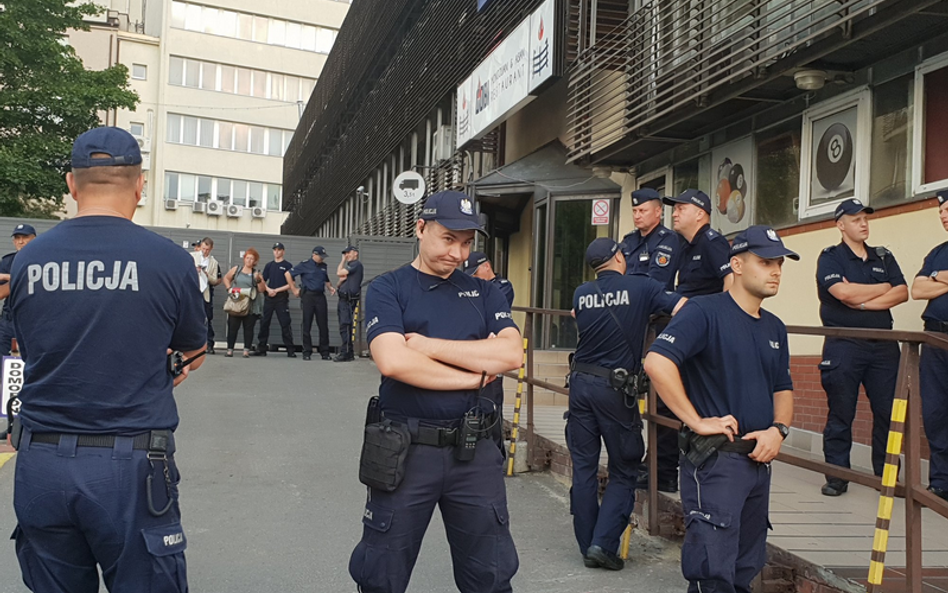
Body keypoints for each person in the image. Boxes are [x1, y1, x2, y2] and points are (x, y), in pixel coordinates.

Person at [8, 126, 207, 592]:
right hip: (129, 466)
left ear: (71, 184)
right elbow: (193, 351)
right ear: (140, 185)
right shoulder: (169, 261)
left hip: (41, 461)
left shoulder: (27, 260)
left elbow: (31, 344)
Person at [348, 190, 523, 593]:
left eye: (466, 244)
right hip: (406, 451)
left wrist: (426, 346)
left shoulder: (484, 292)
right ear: (421, 228)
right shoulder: (388, 288)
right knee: (381, 577)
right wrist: (475, 376)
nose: (459, 254)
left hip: (475, 453)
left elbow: (510, 353)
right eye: (448, 239)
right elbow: (393, 361)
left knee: (491, 577)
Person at [644, 225, 797, 593]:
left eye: (779, 263)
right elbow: (657, 362)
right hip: (717, 463)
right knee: (713, 574)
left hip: (758, 462)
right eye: (764, 262)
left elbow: (784, 389)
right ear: (737, 265)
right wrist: (695, 420)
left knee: (746, 568)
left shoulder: (774, 327)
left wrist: (779, 430)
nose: (775, 270)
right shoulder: (704, 311)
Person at [568, 237, 685, 570]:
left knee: (585, 467)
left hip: (579, 384)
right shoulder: (643, 287)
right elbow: (682, 308)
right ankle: (603, 545)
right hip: (615, 390)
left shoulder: (581, 292)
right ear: (619, 257)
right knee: (624, 467)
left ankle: (586, 540)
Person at [641, 188, 733, 493]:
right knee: (667, 400)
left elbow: (730, 283)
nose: (675, 213)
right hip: (687, 331)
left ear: (701, 213)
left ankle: (666, 470)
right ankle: (661, 468)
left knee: (678, 401)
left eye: (681, 208)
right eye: (674, 208)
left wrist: (721, 326)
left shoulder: (711, 242)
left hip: (703, 336)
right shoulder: (683, 244)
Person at [816, 198, 908, 496]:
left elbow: (903, 292)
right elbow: (841, 292)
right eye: (856, 219)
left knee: (888, 412)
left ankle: (886, 475)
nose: (864, 223)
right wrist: (882, 290)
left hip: (883, 346)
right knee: (841, 412)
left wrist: (863, 301)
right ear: (840, 224)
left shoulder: (883, 256)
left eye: (866, 218)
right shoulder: (830, 257)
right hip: (845, 344)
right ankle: (837, 476)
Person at [909, 190, 948, 502]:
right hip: (934, 340)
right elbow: (917, 289)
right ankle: (941, 481)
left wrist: (936, 280)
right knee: (936, 411)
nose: (944, 216)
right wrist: (940, 274)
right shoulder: (937, 252)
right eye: (940, 212)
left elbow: (927, 285)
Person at [620, 188, 679, 290]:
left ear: (658, 212)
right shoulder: (629, 239)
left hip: (652, 302)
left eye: (642, 211)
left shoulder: (668, 239)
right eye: (634, 211)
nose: (637, 216)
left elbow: (657, 279)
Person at [286, 246, 335, 361]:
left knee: (323, 325)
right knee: (306, 324)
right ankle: (307, 351)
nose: (322, 259)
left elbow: (326, 279)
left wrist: (330, 288)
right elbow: (288, 274)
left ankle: (325, 352)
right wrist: (293, 289)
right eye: (320, 257)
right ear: (314, 255)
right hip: (308, 296)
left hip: (320, 297)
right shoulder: (305, 264)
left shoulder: (323, 266)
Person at [0, 224, 38, 354]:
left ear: (34, 239)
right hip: (8, 320)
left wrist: (9, 278)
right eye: (17, 238)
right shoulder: (7, 262)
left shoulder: (43, 260)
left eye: (25, 237)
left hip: (33, 319)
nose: (20, 241)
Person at [254, 242, 297, 357]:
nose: (277, 252)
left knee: (285, 323)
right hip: (269, 297)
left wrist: (276, 290)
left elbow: (291, 284)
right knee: (264, 322)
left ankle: (290, 349)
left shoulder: (288, 265)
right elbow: (263, 280)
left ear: (283, 251)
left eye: (279, 250)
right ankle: (262, 348)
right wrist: (268, 290)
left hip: (281, 298)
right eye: (275, 250)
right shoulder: (269, 265)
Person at [223, 248, 266, 358]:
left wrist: (259, 280)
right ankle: (230, 349)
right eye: (247, 258)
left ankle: (246, 350)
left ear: (255, 261)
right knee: (233, 327)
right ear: (244, 259)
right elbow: (226, 278)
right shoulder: (236, 270)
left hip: (250, 304)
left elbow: (261, 289)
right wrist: (229, 289)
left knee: (248, 328)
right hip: (236, 302)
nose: (249, 260)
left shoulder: (257, 274)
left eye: (252, 259)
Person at [191, 237, 221, 355]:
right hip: (193, 291)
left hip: (206, 292)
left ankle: (209, 343)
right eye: (203, 249)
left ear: (211, 249)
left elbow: (216, 280)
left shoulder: (214, 262)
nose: (204, 251)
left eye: (207, 249)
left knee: (206, 319)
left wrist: (206, 274)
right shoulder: (192, 257)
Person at [335, 245, 364, 361]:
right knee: (344, 325)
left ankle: (346, 352)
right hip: (343, 298)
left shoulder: (356, 265)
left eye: (348, 253)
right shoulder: (350, 267)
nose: (346, 255)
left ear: (355, 253)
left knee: (346, 325)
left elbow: (338, 272)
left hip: (348, 300)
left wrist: (342, 261)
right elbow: (339, 282)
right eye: (345, 254)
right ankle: (349, 352)